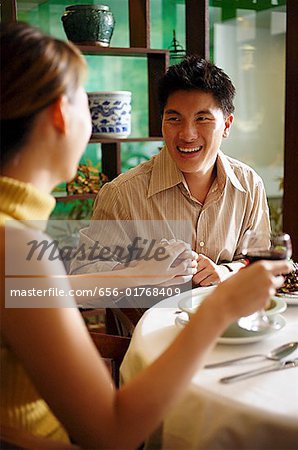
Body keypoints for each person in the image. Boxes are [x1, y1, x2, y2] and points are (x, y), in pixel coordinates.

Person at [0, 23, 289, 449]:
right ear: (62, 114)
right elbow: (112, 435)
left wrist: (144, 272)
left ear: (226, 125)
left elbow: (47, 291)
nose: (186, 133)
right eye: (86, 98)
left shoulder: (16, 238)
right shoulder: (17, 247)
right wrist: (217, 307)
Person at [71, 55, 270, 289]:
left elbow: (262, 262)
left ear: (226, 125)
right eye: (174, 118)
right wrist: (138, 273)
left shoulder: (249, 185)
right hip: (153, 324)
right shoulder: (122, 194)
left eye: (202, 118)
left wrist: (226, 271)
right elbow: (81, 280)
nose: (187, 134)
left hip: (228, 321)